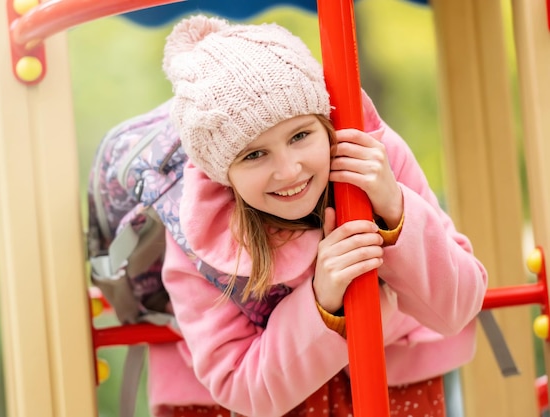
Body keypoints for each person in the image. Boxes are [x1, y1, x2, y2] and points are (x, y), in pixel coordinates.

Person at [144, 14, 488, 417]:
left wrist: (394, 210)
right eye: (254, 155)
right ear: (223, 175)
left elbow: (458, 305)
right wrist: (322, 299)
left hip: (394, 376)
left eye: (300, 135)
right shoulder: (201, 224)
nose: (289, 170)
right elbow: (238, 382)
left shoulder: (370, 155)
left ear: (325, 121)